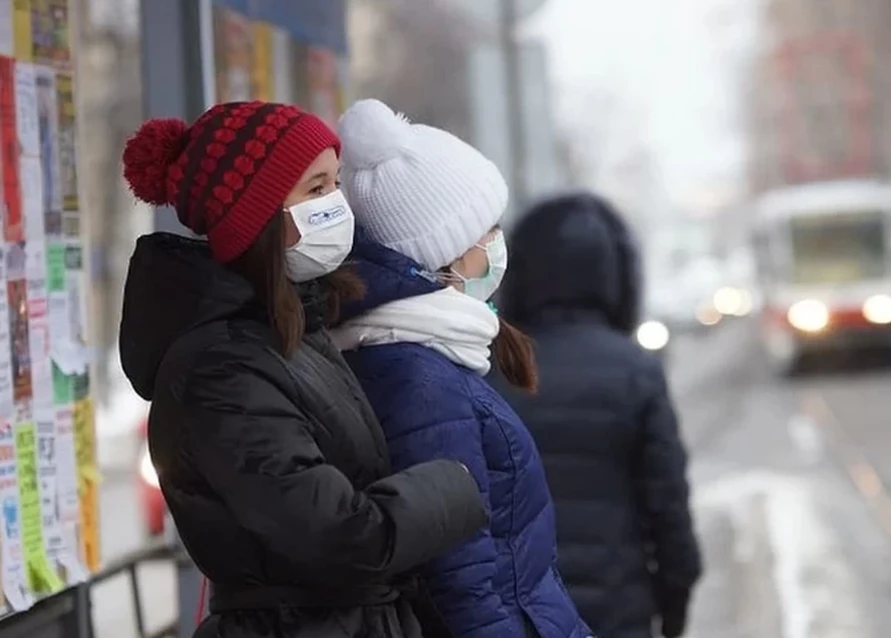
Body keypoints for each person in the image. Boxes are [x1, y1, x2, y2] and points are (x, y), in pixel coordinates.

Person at [117, 101, 488, 638]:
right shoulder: (220, 367)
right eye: (316, 191)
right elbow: (339, 537)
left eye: (335, 185)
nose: (336, 207)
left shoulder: (291, 331)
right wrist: (455, 485)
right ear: (256, 217)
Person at [329, 99, 591, 638]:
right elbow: (459, 578)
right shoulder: (416, 378)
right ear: (443, 252)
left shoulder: (429, 350)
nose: (498, 243)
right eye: (487, 229)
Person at [492, 193, 703, 638]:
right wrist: (673, 607)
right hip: (616, 614)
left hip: (516, 617)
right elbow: (669, 514)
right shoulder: (635, 370)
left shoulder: (490, 369)